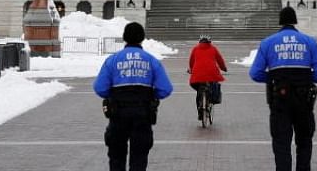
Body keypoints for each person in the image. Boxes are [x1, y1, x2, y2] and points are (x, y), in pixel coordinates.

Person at [249, 7, 317, 171]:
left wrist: (273, 79)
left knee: (281, 143)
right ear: (295, 21)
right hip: (304, 99)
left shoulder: (268, 43)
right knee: (304, 141)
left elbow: (255, 73)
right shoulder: (309, 41)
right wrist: (305, 80)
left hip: (280, 99)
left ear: (280, 21)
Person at [94, 22, 173, 171]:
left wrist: (113, 94)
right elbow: (166, 89)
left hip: (118, 114)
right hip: (142, 114)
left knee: (116, 156)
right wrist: (151, 95)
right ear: (142, 38)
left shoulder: (113, 60)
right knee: (139, 157)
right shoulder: (151, 60)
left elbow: (100, 88)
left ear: (124, 38)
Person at [187, 34, 228, 119]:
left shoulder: (195, 48)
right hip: (211, 73)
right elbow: (220, 60)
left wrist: (191, 69)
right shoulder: (213, 48)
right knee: (213, 86)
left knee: (199, 90)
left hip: (197, 74)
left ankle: (200, 110)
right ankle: (209, 99)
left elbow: (191, 61)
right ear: (210, 41)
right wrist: (224, 68)